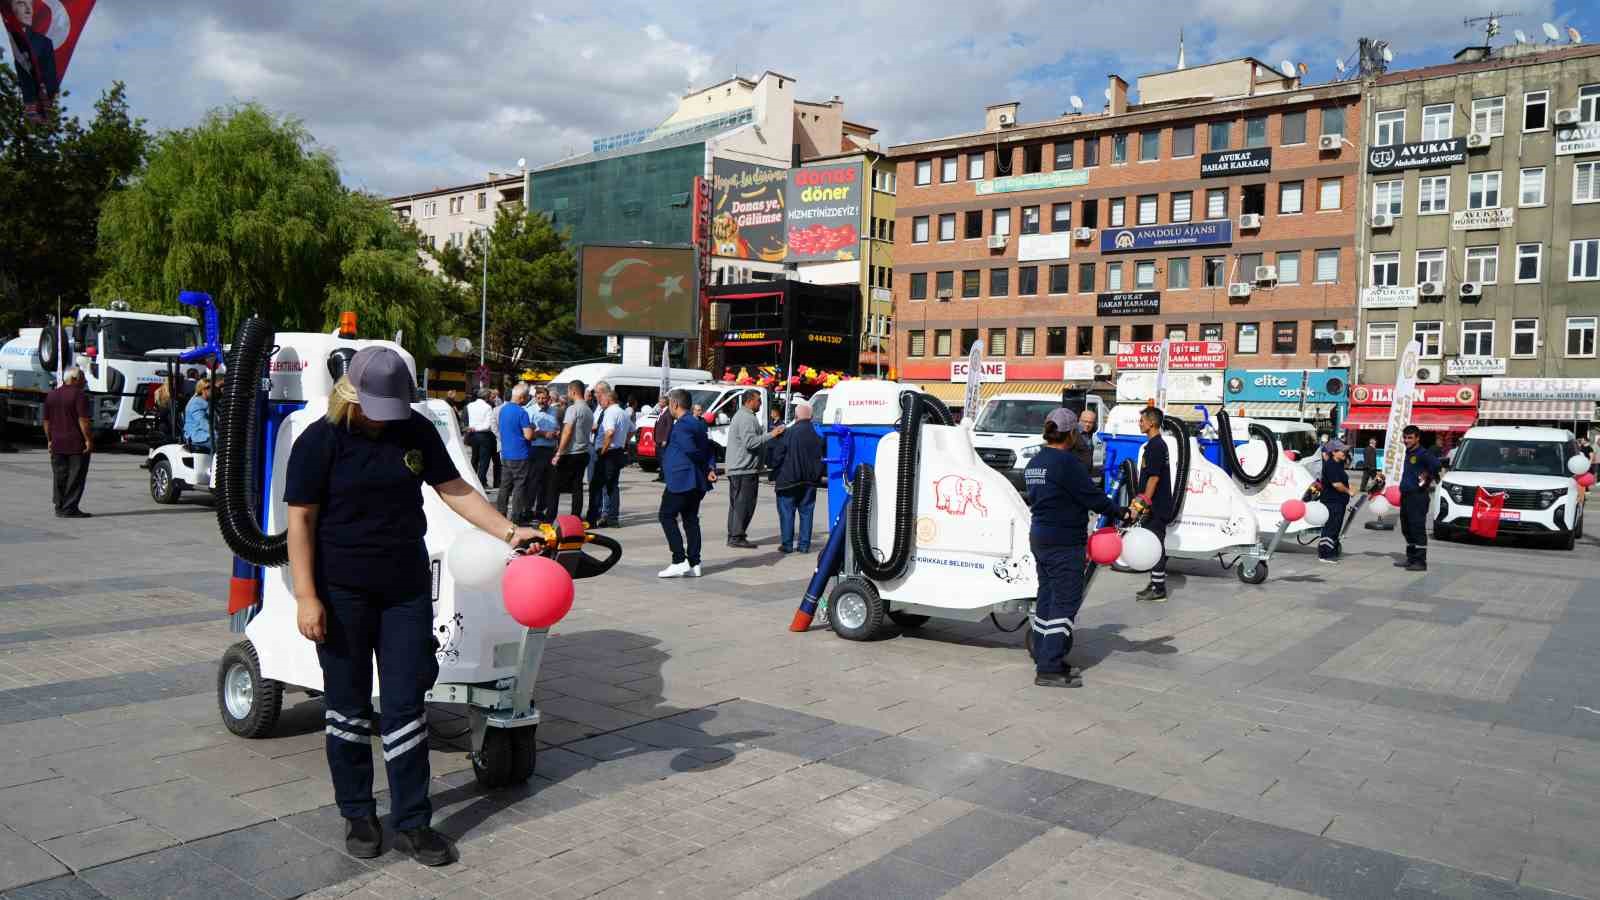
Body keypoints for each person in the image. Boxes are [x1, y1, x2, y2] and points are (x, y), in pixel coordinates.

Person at [283, 347, 537, 867]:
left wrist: (510, 532)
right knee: (349, 709)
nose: (384, 418)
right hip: (341, 593)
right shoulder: (321, 441)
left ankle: (413, 823)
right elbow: (301, 522)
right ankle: (357, 813)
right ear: (351, 395)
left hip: (404, 591)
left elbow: (455, 490)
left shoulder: (414, 431)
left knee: (405, 709)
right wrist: (308, 597)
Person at [1025, 409, 1119, 688]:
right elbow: (1093, 498)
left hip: (1041, 538)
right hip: (1064, 541)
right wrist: (1121, 512)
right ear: (1071, 434)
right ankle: (1049, 668)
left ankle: (1045, 654)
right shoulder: (1066, 463)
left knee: (1047, 598)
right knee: (1065, 602)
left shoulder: (1036, 461)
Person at [657, 388, 716, 577]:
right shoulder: (697, 423)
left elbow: (692, 450)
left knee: (666, 516)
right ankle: (694, 563)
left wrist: (707, 468)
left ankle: (679, 559)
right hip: (695, 480)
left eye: (669, 405)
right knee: (690, 519)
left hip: (682, 479)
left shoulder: (683, 425)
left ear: (674, 404)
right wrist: (709, 468)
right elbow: (708, 448)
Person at [725, 390, 783, 548]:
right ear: (749, 401)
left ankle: (735, 535)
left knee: (738, 504)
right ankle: (736, 536)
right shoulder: (746, 418)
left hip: (742, 468)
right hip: (743, 469)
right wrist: (772, 434)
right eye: (758, 400)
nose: (760, 403)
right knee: (744, 504)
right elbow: (750, 443)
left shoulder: (745, 416)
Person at [767, 401, 824, 553]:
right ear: (811, 417)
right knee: (807, 513)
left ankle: (787, 545)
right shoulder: (818, 435)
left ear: (796, 416)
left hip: (788, 479)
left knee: (787, 512)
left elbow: (777, 455)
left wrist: (772, 468)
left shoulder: (788, 433)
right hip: (810, 480)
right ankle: (804, 545)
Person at [1133, 406, 1173, 602]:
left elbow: (1154, 478)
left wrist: (1144, 503)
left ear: (1152, 423)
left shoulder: (1156, 446)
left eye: (1142, 420)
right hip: (1155, 505)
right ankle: (1155, 583)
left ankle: (1159, 589)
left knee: (1155, 544)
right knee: (1153, 543)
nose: (1139, 423)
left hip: (1156, 506)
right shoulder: (1154, 445)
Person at [43, 366, 92, 518]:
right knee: (76, 476)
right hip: (76, 443)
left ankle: (59, 506)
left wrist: (50, 440)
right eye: (83, 377)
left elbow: (46, 421)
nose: (85, 380)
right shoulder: (79, 395)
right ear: (75, 379)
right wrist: (88, 440)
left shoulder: (51, 395)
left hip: (57, 442)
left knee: (59, 475)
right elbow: (83, 420)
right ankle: (70, 508)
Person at [1395, 425, 1441, 572]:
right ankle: (1411, 558)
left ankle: (1421, 562)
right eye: (1405, 437)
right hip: (1406, 496)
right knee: (1406, 529)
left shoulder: (1423, 453)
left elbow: (1437, 465)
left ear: (1417, 438)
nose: (1406, 440)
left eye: (1410, 438)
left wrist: (1427, 475)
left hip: (1418, 496)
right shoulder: (1409, 452)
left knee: (1417, 529)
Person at [3, 0, 58, 122]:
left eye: (30, 5)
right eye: (21, 3)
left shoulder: (44, 43)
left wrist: (45, 94)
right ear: (11, 9)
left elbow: (51, 77)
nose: (28, 10)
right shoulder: (12, 38)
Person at [586, 382, 630, 527]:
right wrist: (624, 442)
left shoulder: (611, 412)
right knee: (612, 486)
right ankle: (612, 518)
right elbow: (632, 429)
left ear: (609, 399)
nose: (600, 401)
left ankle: (592, 518)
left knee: (597, 486)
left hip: (608, 453)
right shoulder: (623, 412)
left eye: (602, 399)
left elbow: (609, 432)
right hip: (617, 452)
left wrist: (603, 450)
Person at [550, 380, 592, 519]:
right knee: (577, 487)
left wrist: (559, 453)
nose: (567, 394)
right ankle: (575, 516)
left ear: (573, 392)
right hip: (583, 452)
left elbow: (567, 431)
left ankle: (550, 515)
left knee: (554, 485)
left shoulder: (572, 409)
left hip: (571, 453)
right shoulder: (588, 409)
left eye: (568, 391)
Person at [495, 383, 535, 523]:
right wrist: (533, 429)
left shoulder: (503, 410)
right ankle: (516, 517)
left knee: (505, 485)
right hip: (520, 454)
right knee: (519, 486)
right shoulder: (521, 412)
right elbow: (528, 435)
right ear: (522, 397)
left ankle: (501, 513)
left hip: (506, 453)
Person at [526, 386, 559, 523]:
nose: (541, 401)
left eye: (544, 398)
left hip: (550, 450)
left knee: (547, 483)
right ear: (535, 398)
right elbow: (527, 433)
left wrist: (556, 433)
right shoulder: (529, 411)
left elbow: (558, 428)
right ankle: (527, 510)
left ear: (548, 399)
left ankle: (540, 510)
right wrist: (542, 433)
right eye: (538, 398)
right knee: (533, 481)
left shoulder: (554, 411)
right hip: (536, 449)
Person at [1317, 439, 1353, 563]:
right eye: (1341, 450)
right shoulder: (1331, 465)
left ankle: (1331, 550)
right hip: (1332, 501)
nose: (1344, 452)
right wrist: (1349, 491)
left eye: (1344, 450)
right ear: (1333, 452)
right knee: (1331, 527)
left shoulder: (1338, 464)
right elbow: (1336, 484)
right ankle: (1325, 554)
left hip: (1338, 502)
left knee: (1335, 527)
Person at [464, 389, 496, 488]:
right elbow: (487, 425)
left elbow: (465, 420)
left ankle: (472, 481)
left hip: (472, 435)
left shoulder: (469, 405)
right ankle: (480, 482)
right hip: (484, 436)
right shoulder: (488, 407)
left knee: (474, 459)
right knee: (484, 461)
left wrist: (471, 428)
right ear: (486, 397)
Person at [184, 376, 214, 451]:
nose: (212, 390)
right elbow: (203, 423)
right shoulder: (196, 403)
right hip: (198, 436)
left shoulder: (207, 401)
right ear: (202, 389)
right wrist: (218, 433)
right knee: (222, 445)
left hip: (206, 434)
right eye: (208, 387)